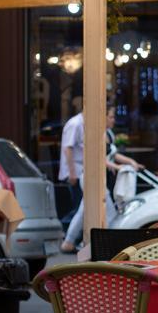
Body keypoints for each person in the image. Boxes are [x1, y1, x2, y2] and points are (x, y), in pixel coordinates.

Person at [60, 104, 143, 253]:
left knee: (84, 209)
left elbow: (112, 154)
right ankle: (110, 243)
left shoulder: (107, 134)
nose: (113, 120)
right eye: (111, 116)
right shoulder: (89, 131)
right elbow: (95, 157)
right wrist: (118, 167)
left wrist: (131, 162)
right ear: (102, 117)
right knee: (108, 210)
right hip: (89, 176)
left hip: (97, 176)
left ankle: (69, 241)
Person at [58, 97, 85, 230]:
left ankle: (70, 236)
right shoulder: (75, 124)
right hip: (75, 172)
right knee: (78, 207)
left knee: (79, 207)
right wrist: (72, 173)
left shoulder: (84, 123)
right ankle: (65, 232)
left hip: (81, 171)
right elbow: (67, 148)